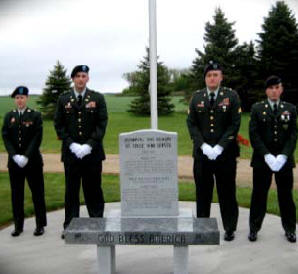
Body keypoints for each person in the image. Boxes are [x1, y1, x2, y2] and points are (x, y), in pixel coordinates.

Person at [187, 61, 241, 241]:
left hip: (225, 154)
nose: (212, 78)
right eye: (209, 75)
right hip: (202, 155)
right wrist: (202, 145)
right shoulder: (196, 97)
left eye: (215, 74)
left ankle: (230, 228)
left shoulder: (231, 96)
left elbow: (234, 124)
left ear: (221, 77)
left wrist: (220, 146)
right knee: (203, 192)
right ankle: (202, 227)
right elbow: (192, 124)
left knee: (227, 192)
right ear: (205, 78)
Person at [54, 65, 108, 239]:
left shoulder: (97, 98)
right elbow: (59, 124)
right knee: (71, 191)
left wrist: (89, 145)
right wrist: (72, 145)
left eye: (83, 76)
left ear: (88, 79)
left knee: (93, 189)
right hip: (71, 154)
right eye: (77, 76)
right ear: (73, 78)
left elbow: (102, 124)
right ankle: (70, 225)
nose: (80, 79)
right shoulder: (64, 99)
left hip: (92, 154)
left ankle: (97, 222)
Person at [248, 75, 297, 243]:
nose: (274, 91)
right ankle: (254, 228)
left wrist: (284, 155)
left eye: (277, 87)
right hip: (263, 160)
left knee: (286, 196)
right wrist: (267, 155)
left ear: (281, 89)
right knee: (259, 195)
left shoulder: (290, 109)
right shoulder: (257, 108)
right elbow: (254, 135)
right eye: (271, 88)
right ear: (266, 91)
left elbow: (293, 135)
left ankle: (290, 229)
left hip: (284, 161)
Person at [2, 86, 47, 237]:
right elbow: (6, 137)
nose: (19, 100)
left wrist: (26, 156)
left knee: (37, 193)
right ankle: (18, 226)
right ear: (15, 100)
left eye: (22, 97)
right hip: (14, 163)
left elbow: (37, 137)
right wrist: (14, 155)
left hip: (32, 161)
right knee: (17, 195)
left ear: (27, 98)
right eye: (17, 98)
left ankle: (40, 225)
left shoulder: (35, 115)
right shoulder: (9, 116)